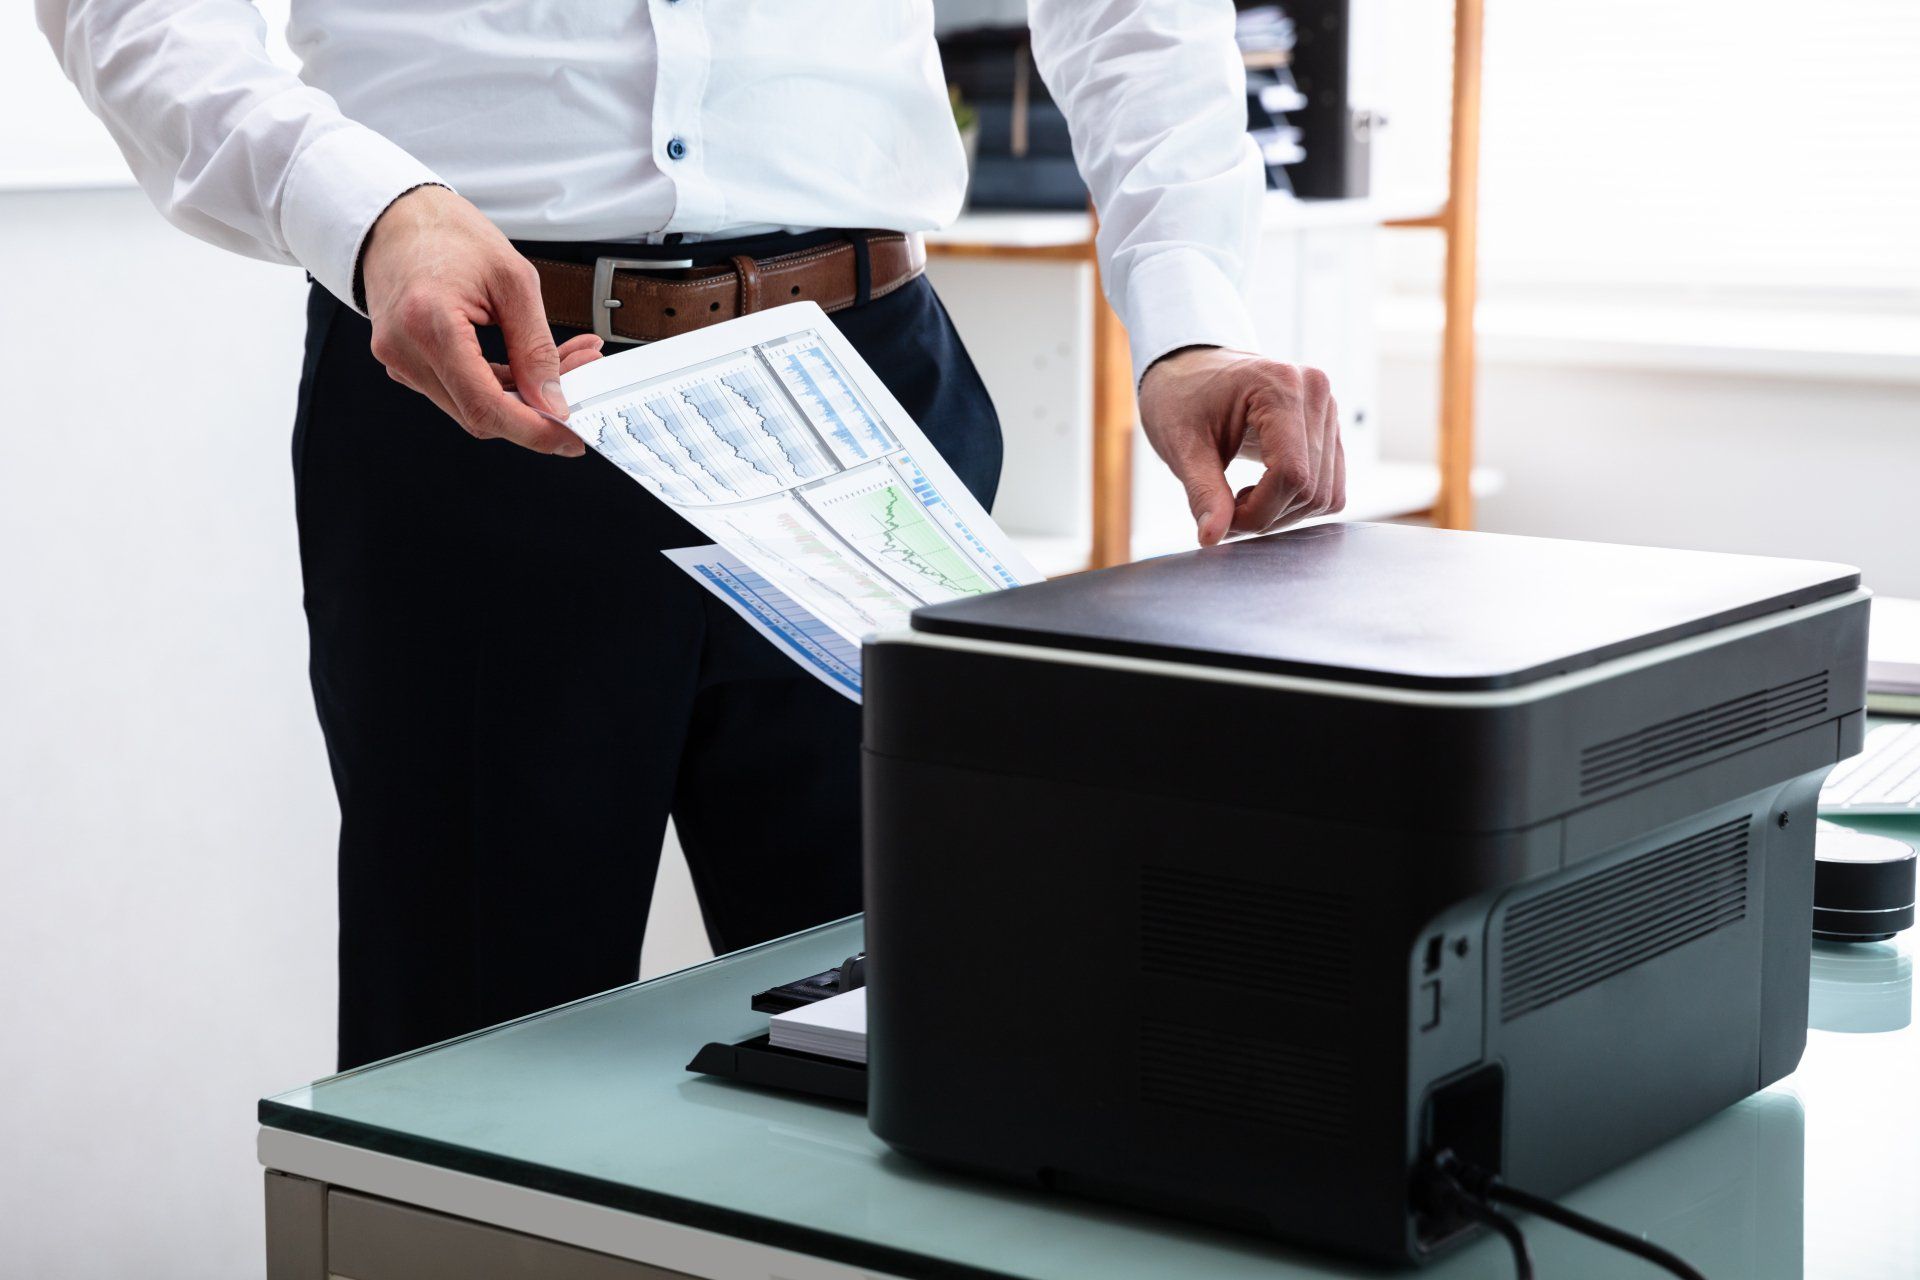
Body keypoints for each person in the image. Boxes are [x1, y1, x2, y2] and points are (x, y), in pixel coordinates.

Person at [41, 0, 1346, 1069]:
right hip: (479, 393)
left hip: (868, 399)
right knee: (477, 1075)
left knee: (931, 1048)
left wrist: (1189, 314)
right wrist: (365, 205)